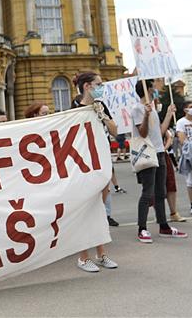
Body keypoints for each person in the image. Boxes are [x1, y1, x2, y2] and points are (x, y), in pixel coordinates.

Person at [71, 72, 118, 271]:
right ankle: (83, 257)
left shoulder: (100, 105)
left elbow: (115, 131)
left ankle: (101, 254)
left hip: (102, 162)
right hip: (84, 165)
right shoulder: (74, 109)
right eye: (99, 84)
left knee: (100, 208)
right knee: (85, 210)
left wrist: (103, 115)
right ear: (88, 86)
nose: (102, 87)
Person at [132, 78, 187, 243]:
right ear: (147, 89)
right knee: (148, 193)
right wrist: (147, 114)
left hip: (160, 152)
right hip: (147, 153)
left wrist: (169, 114)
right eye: (153, 87)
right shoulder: (137, 109)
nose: (155, 89)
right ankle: (142, 228)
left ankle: (164, 226)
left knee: (160, 192)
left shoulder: (153, 108)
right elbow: (142, 133)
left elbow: (161, 131)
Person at [162, 128, 186, 223]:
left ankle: (173, 212)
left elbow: (169, 136)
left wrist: (164, 148)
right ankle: (159, 214)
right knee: (155, 186)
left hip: (163, 154)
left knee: (170, 183)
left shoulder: (159, 122)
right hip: (150, 155)